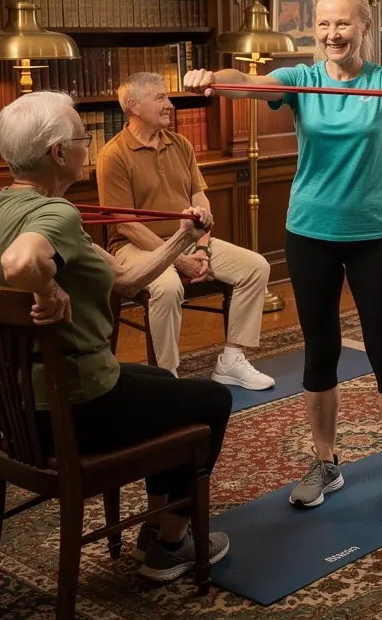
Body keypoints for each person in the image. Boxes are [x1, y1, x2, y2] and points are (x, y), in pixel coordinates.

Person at [183, 0, 382, 519]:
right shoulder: (301, 79)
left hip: (374, 233)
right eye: (324, 24)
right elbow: (251, 81)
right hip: (310, 234)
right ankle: (326, 462)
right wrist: (214, 78)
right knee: (320, 352)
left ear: (364, 29)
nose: (333, 33)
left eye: (343, 23)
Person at [0, 91, 233, 582]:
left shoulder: (1, 209)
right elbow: (21, 262)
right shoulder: (58, 217)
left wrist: (182, 238)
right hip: (77, 409)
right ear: (57, 153)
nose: (87, 145)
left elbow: (128, 282)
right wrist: (46, 289)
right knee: (212, 400)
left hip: (21, 409)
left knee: (159, 378)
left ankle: (154, 527)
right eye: (80, 137)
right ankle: (171, 546)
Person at [96, 73, 274, 390]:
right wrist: (178, 260)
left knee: (256, 266)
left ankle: (232, 359)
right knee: (166, 288)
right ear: (134, 107)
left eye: (167, 97)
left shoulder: (180, 144)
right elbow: (126, 224)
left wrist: (203, 249)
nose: (169, 104)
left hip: (187, 241)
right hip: (133, 248)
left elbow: (199, 202)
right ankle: (168, 377)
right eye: (160, 98)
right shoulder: (113, 155)